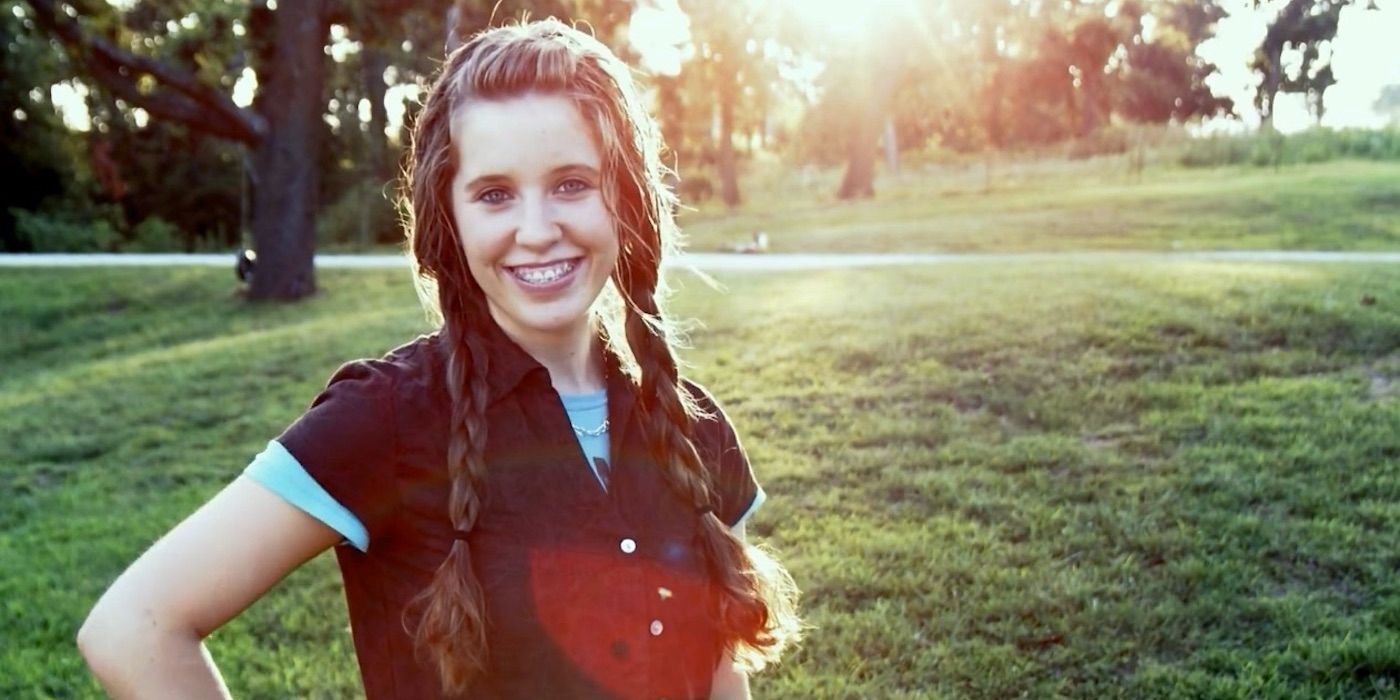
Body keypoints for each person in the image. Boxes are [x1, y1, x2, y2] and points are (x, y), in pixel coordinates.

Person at [75, 18, 801, 700]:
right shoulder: (386, 417)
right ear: (447, 218)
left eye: (572, 184)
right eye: (494, 194)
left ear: (628, 199)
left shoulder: (693, 426)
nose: (537, 229)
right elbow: (134, 628)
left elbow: (717, 675)